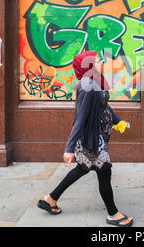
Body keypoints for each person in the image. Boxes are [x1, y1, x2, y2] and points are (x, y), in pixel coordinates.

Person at [37, 50, 134, 227]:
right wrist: (69, 148)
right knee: (104, 171)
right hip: (92, 141)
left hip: (97, 138)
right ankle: (113, 214)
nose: (102, 63)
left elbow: (104, 106)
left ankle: (50, 199)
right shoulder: (87, 85)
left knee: (82, 169)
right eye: (98, 61)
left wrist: (117, 121)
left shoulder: (95, 82)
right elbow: (80, 118)